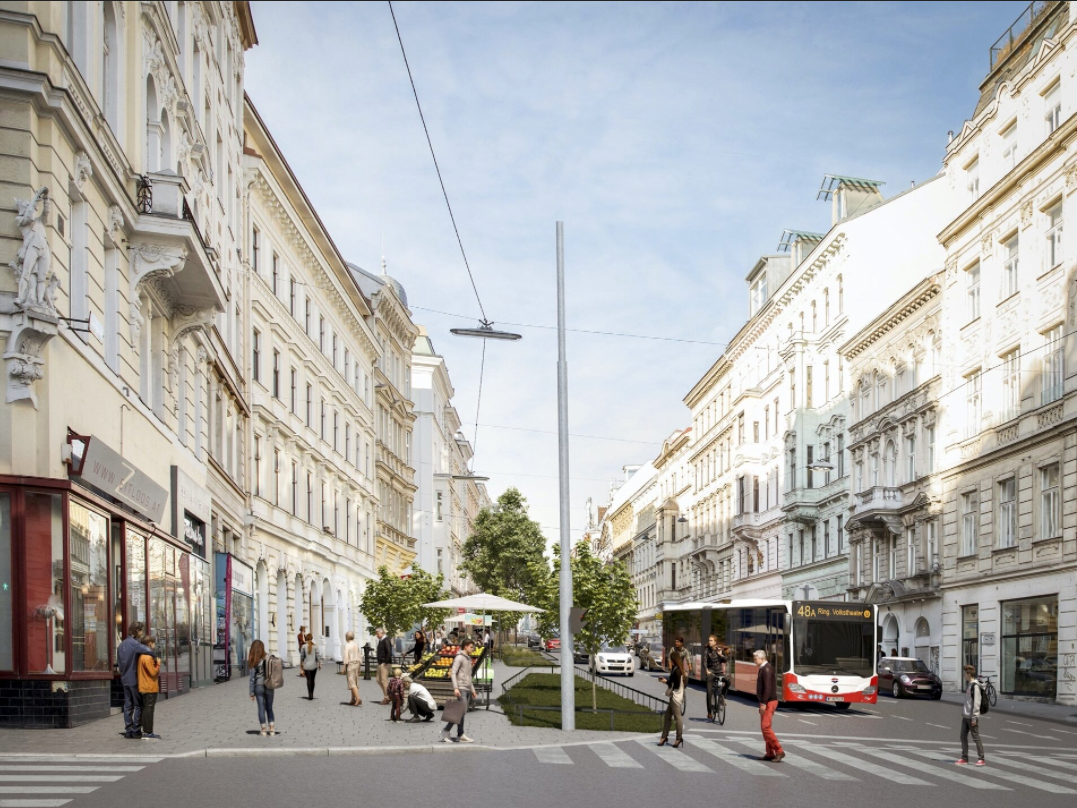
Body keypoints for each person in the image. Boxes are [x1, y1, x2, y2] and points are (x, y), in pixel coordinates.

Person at [117, 622, 155, 740]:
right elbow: (148, 650)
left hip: (124, 678)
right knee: (138, 705)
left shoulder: (121, 645)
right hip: (133, 678)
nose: (141, 633)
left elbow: (119, 663)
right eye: (140, 631)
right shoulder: (134, 644)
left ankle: (128, 730)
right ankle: (136, 730)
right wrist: (155, 657)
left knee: (128, 705)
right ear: (136, 631)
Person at [441, 638, 478, 743]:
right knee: (460, 711)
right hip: (461, 688)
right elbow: (453, 673)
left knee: (462, 711)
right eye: (471, 647)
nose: (473, 649)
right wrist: (455, 688)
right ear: (465, 646)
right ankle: (447, 730)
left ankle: (460, 734)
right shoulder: (459, 658)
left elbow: (469, 676)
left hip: (467, 688)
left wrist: (473, 689)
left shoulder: (468, 658)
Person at [755, 649, 784, 762]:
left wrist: (763, 703)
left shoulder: (766, 669)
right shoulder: (764, 668)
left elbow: (767, 688)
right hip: (766, 701)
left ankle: (779, 751)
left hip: (769, 701)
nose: (754, 660)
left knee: (766, 727)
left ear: (761, 658)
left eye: (755, 658)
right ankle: (770, 753)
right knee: (764, 728)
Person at [957, 664, 986, 766]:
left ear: (969, 674)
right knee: (962, 736)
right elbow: (968, 701)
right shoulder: (969, 685)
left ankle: (981, 758)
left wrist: (974, 717)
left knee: (976, 737)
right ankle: (964, 758)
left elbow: (977, 703)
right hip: (965, 716)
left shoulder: (975, 686)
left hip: (972, 717)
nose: (964, 676)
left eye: (965, 674)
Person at [657, 652, 687, 747]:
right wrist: (666, 681)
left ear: (673, 659)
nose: (669, 661)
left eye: (670, 659)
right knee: (667, 716)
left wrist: (666, 681)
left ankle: (678, 738)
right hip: (674, 696)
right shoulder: (676, 668)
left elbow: (676, 685)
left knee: (678, 718)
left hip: (675, 697)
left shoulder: (677, 670)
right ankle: (664, 737)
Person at [248, 639, 276, 736]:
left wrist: (251, 693)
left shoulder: (254, 660)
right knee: (269, 707)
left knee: (261, 708)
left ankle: (263, 730)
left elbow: (252, 679)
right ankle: (272, 729)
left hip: (258, 686)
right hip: (269, 685)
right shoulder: (268, 658)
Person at [138, 635, 161, 741]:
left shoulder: (142, 656)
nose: (154, 645)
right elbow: (153, 672)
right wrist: (158, 664)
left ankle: (145, 730)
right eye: (153, 643)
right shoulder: (147, 657)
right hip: (149, 686)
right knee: (149, 709)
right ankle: (148, 731)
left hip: (144, 686)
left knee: (146, 708)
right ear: (150, 644)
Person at [704, 634, 726, 722]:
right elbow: (705, 662)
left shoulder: (719, 649)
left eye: (711, 640)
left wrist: (721, 655)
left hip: (719, 671)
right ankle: (709, 712)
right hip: (711, 671)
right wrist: (707, 670)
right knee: (709, 692)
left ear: (715, 642)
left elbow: (725, 660)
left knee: (728, 681)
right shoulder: (707, 650)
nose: (709, 642)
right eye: (709, 640)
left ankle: (722, 697)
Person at [343, 630, 362, 706]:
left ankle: (358, 698)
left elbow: (346, 657)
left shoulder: (347, 645)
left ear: (347, 637)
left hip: (351, 664)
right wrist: (360, 666)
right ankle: (352, 699)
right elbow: (359, 656)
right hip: (357, 664)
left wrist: (344, 667)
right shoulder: (356, 645)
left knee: (351, 682)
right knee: (355, 681)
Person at [300, 633, 321, 700]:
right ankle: (312, 692)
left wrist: (301, 665)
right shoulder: (315, 646)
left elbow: (302, 656)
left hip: (307, 666)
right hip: (314, 666)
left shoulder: (303, 647)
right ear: (312, 638)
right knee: (312, 680)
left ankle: (310, 694)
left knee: (308, 680)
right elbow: (318, 656)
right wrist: (319, 664)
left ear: (306, 638)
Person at [375, 628, 393, 705]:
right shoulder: (381, 640)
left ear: (382, 633)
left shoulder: (386, 640)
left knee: (384, 680)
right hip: (380, 663)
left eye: (377, 633)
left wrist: (386, 661)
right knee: (378, 680)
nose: (376, 635)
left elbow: (389, 652)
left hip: (385, 663)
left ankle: (387, 698)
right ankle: (388, 695)